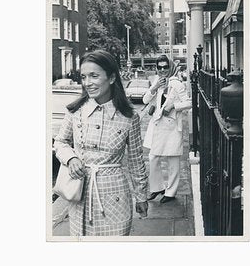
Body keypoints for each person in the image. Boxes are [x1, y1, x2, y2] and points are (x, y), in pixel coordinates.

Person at [54, 50, 148, 236]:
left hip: (116, 198)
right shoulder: (75, 111)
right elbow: (60, 142)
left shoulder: (129, 117)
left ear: (111, 77)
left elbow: (136, 160)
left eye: (94, 76)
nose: (87, 83)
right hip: (80, 195)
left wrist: (141, 196)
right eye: (84, 77)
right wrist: (71, 159)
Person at [143, 55, 192, 203]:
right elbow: (145, 100)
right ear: (157, 68)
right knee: (153, 157)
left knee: (172, 160)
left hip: (171, 127)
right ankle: (157, 188)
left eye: (165, 67)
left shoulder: (176, 83)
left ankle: (170, 192)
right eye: (160, 67)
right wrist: (155, 87)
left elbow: (189, 102)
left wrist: (173, 106)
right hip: (158, 125)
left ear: (170, 67)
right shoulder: (156, 81)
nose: (163, 70)